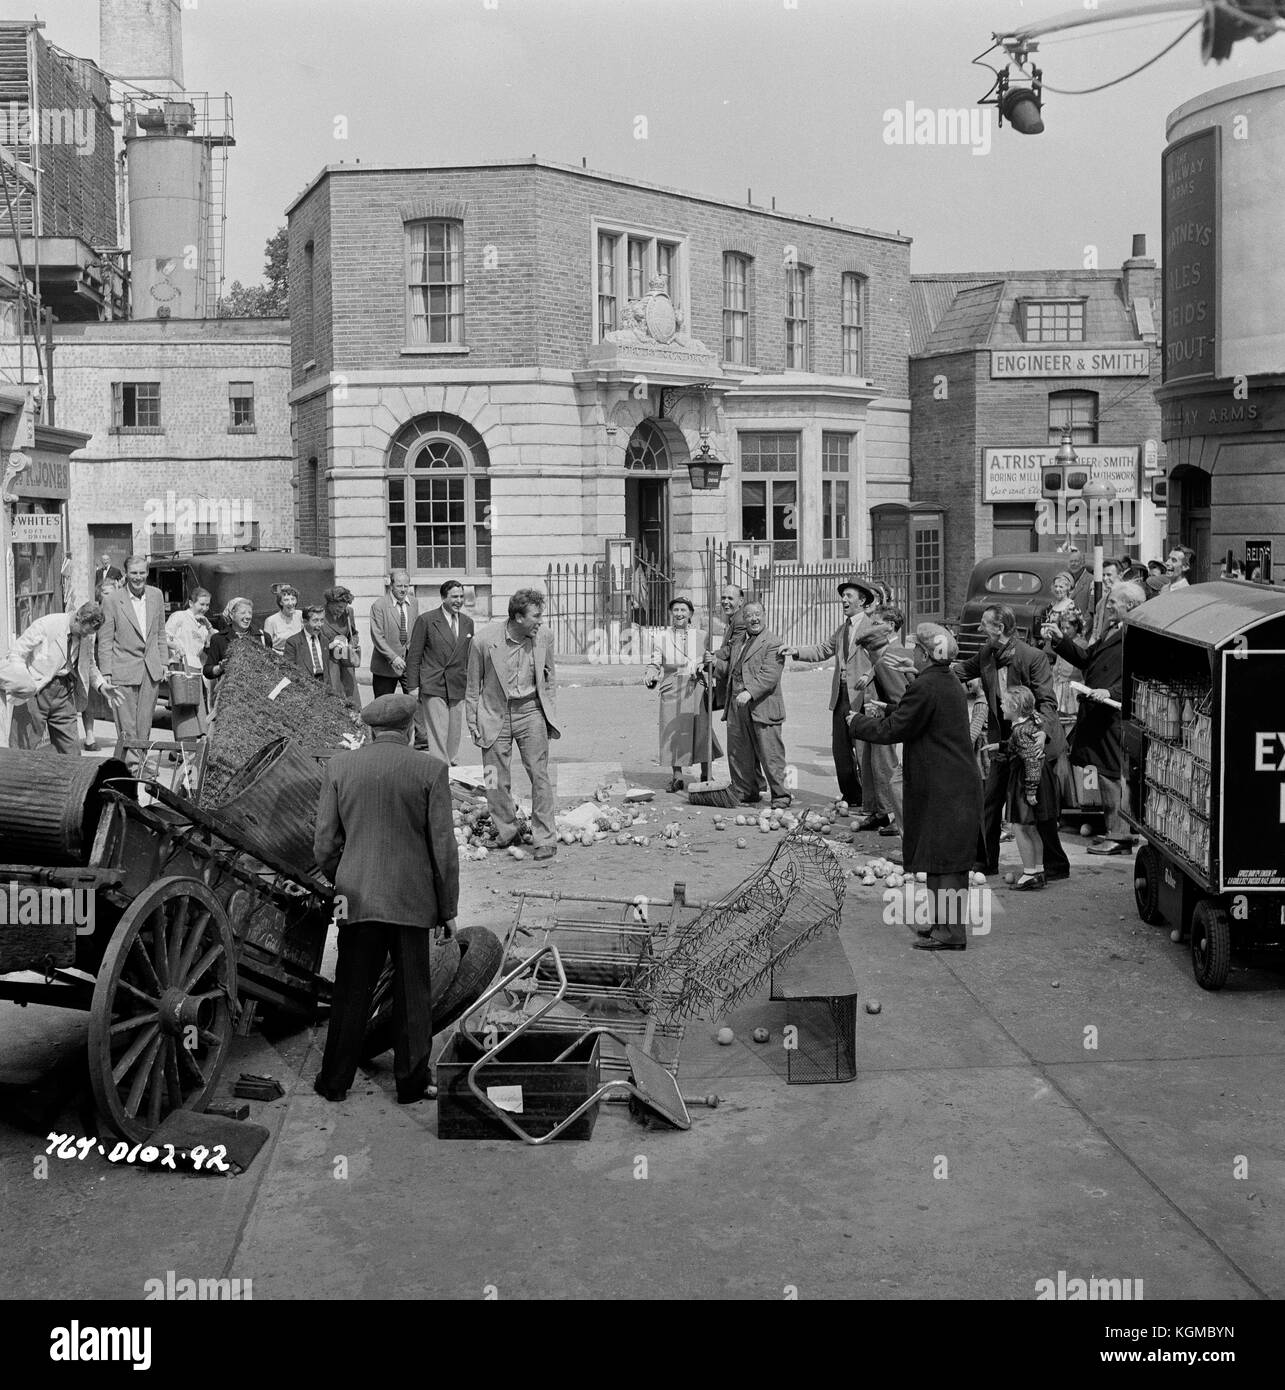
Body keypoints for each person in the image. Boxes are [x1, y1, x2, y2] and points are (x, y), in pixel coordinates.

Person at [312, 693, 458, 1105]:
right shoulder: (430, 770)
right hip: (413, 901)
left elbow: (324, 844)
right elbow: (443, 849)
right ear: (411, 730)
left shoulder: (339, 767)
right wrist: (447, 909)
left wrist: (342, 876)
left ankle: (334, 1082)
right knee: (414, 994)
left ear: (369, 731)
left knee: (351, 991)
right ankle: (411, 1084)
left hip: (356, 899)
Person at [848, 623, 982, 951]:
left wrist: (856, 723)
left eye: (916, 651)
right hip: (950, 784)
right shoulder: (943, 679)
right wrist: (896, 699)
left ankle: (951, 934)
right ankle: (941, 926)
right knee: (938, 860)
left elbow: (897, 728)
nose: (913, 656)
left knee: (947, 864)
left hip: (946, 788)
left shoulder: (927, 685)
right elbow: (920, 714)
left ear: (924, 653)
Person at [953, 603, 1069, 882]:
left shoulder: (1033, 657)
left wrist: (1042, 732)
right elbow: (959, 671)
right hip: (1002, 741)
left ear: (999, 628)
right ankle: (985, 861)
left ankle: (1055, 865)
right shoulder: (986, 654)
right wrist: (929, 669)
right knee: (990, 801)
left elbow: (1047, 701)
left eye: (984, 624)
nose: (980, 629)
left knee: (1037, 809)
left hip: (1032, 740)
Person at [1042, 580, 1146, 857]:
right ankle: (1117, 831)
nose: (1108, 605)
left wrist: (1108, 691)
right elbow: (1088, 659)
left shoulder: (1137, 634)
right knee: (1104, 774)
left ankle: (1119, 835)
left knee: (1113, 776)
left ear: (1131, 606)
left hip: (1113, 714)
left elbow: (1137, 675)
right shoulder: (1113, 629)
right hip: (1097, 712)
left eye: (1113, 602)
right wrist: (1060, 640)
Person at [466, 588, 560, 860]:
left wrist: (548, 711)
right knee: (493, 779)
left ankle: (544, 837)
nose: (541, 621)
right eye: (536, 616)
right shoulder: (483, 641)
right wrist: (473, 722)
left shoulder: (544, 637)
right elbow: (473, 687)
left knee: (539, 774)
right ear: (518, 617)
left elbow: (550, 677)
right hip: (494, 714)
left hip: (531, 711)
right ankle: (507, 831)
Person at [782, 578, 876, 811]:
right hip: (841, 695)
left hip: (862, 697)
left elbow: (882, 660)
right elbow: (824, 649)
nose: (843, 600)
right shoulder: (843, 628)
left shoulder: (872, 627)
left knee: (863, 750)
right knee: (841, 749)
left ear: (862, 601)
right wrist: (796, 651)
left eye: (849, 596)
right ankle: (852, 796)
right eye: (843, 596)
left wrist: (870, 678)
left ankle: (871, 800)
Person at [0, 602, 123, 753]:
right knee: (23, 748)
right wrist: (22, 681)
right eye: (84, 632)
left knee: (71, 750)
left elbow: (89, 664)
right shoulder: (47, 624)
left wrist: (101, 685)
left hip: (65, 692)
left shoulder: (87, 635)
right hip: (36, 691)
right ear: (78, 618)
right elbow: (17, 652)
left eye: (89, 634)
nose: (86, 636)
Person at [710, 601, 791, 809]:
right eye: (749, 616)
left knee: (769, 753)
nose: (754, 619)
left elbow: (770, 675)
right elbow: (730, 668)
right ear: (743, 619)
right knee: (739, 752)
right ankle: (746, 792)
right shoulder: (739, 641)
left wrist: (750, 692)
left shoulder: (773, 642)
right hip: (737, 704)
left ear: (764, 615)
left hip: (761, 705)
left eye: (757, 614)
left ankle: (780, 795)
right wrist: (714, 663)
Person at [852, 603, 917, 837]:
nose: (873, 627)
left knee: (888, 771)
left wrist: (887, 713)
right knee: (871, 765)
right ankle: (880, 811)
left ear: (890, 627)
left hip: (887, 721)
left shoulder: (892, 654)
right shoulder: (884, 655)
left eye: (877, 624)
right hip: (876, 716)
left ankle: (893, 815)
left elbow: (902, 700)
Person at [644, 597, 720, 792]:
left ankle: (706, 773)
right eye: (676, 610)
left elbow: (711, 660)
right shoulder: (662, 637)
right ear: (671, 613)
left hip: (696, 687)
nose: (679, 614)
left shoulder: (703, 635)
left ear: (690, 614)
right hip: (672, 688)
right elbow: (654, 662)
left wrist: (708, 663)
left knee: (701, 730)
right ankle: (677, 776)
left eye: (683, 610)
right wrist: (651, 674)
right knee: (674, 733)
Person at [98, 555, 168, 766]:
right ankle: (132, 768)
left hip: (151, 670)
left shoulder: (156, 596)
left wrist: (164, 662)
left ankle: (140, 765)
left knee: (144, 725)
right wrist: (106, 673)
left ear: (147, 573)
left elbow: (161, 633)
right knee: (127, 726)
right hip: (123, 670)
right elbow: (105, 639)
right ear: (126, 574)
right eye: (134, 573)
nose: (138, 577)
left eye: (142, 572)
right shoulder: (112, 600)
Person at [407, 578, 473, 764]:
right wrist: (413, 686)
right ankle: (439, 766)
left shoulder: (468, 623)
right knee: (438, 729)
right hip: (433, 682)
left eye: (461, 596)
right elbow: (414, 656)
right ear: (443, 598)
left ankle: (450, 764)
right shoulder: (427, 620)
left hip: (457, 684)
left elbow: (468, 656)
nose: (459, 600)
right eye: (454, 597)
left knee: (454, 730)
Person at [1000, 685, 1060, 891]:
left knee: (1020, 826)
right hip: (1038, 778)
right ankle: (1039, 870)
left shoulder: (1020, 731)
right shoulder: (1031, 721)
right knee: (1033, 828)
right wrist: (1000, 747)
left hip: (1026, 781)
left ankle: (1029, 873)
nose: (1001, 705)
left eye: (1004, 703)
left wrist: (1031, 790)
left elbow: (1032, 761)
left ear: (1015, 707)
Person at [370, 571, 427, 750]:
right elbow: (377, 636)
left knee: (415, 700)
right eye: (399, 586)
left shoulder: (414, 603)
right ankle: (381, 741)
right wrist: (393, 657)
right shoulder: (379, 605)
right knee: (383, 704)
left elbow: (416, 630)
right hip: (386, 665)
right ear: (391, 585)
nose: (403, 589)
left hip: (409, 663)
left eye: (405, 586)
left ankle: (421, 741)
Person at [164, 588, 214, 739]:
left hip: (196, 668)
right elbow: (165, 636)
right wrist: (176, 647)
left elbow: (213, 643)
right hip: (180, 666)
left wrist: (208, 625)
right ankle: (185, 748)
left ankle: (181, 751)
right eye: (202, 604)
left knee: (197, 709)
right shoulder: (179, 616)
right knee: (184, 709)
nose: (204, 608)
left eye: (207, 605)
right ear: (191, 602)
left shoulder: (203, 624)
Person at [203, 596, 270, 693]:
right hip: (230, 695)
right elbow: (207, 671)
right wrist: (220, 668)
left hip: (258, 694)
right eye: (243, 613)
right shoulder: (219, 639)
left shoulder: (263, 637)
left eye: (250, 613)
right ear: (231, 615)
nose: (248, 616)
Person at [321, 586, 362, 709]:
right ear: (330, 603)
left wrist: (351, 645)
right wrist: (330, 646)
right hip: (329, 660)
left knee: (351, 694)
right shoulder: (320, 614)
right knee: (334, 693)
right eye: (339, 607)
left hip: (346, 658)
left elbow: (354, 633)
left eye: (344, 607)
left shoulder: (349, 612)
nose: (342, 610)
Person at [284, 605, 333, 683]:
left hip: (323, 685)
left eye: (322, 620)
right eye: (315, 621)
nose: (319, 625)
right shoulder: (293, 642)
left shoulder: (324, 641)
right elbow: (289, 670)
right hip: (305, 686)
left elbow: (326, 670)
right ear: (305, 622)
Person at [263, 584, 304, 654]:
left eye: (293, 599)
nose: (291, 603)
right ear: (281, 603)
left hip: (299, 655)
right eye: (286, 600)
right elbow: (267, 648)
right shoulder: (270, 621)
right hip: (280, 657)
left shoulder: (300, 615)